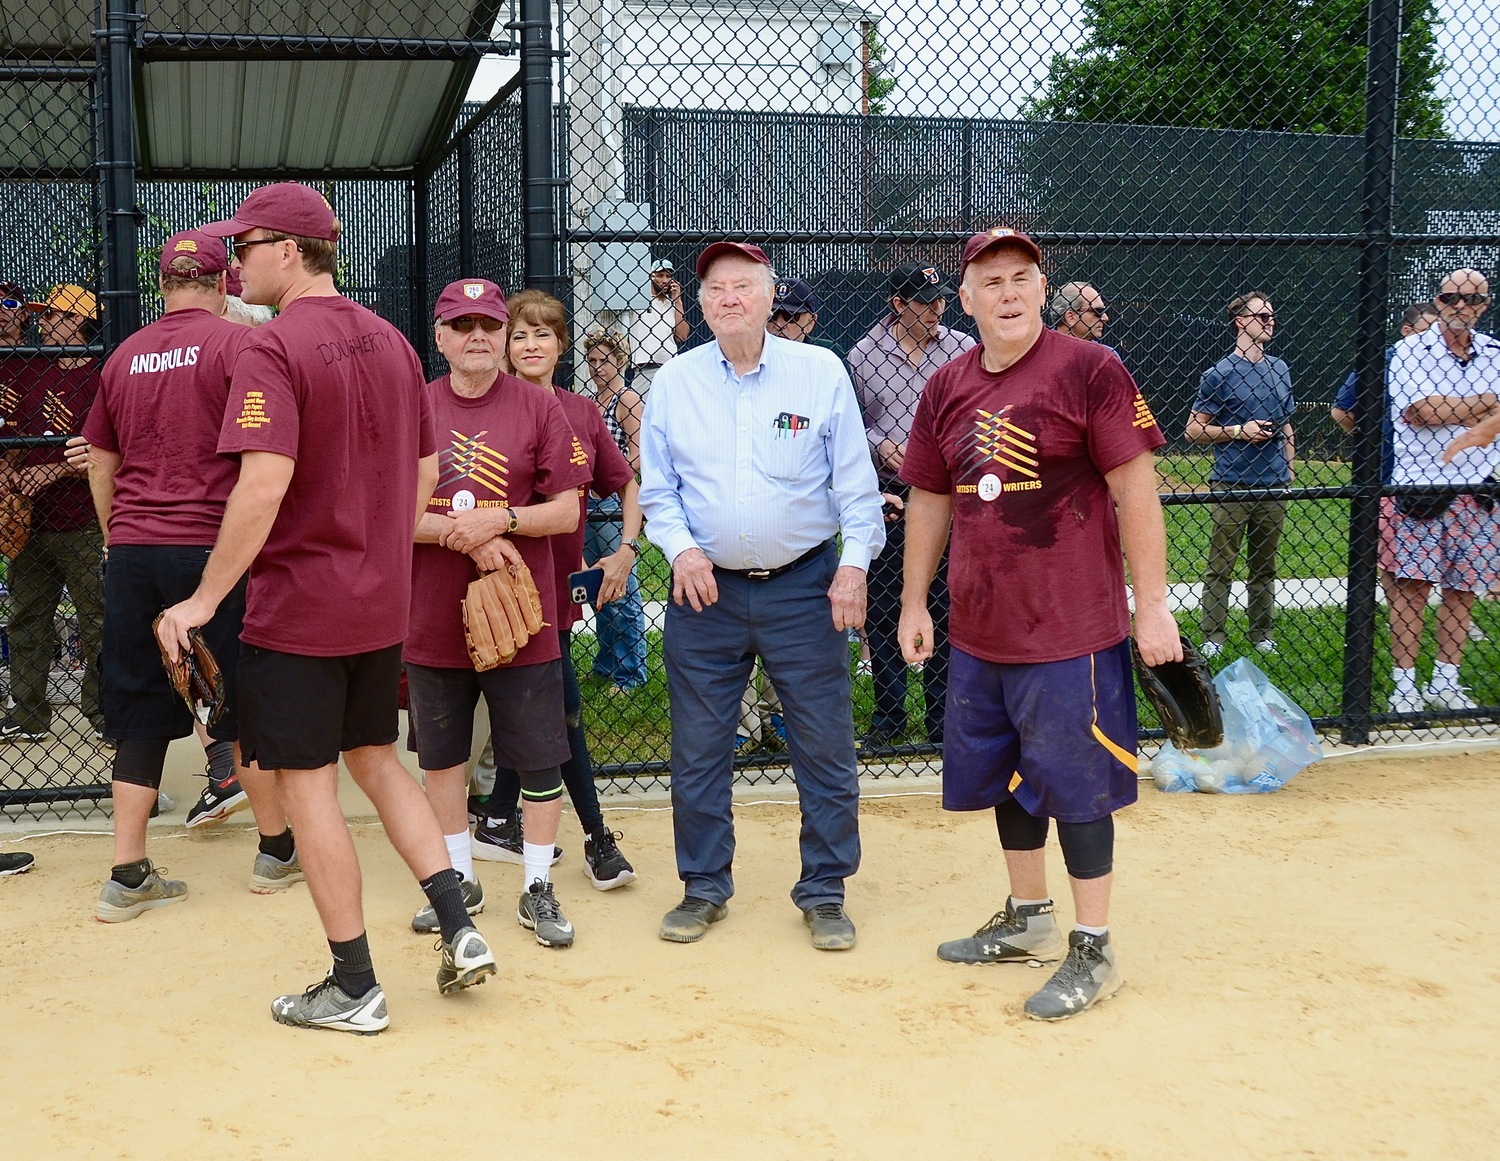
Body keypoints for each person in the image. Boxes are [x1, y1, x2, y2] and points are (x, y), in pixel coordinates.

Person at [156, 182, 496, 1034]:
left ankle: (355, 984)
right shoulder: (388, 339)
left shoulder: (272, 347)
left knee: (311, 788)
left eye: (245, 246)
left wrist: (201, 600)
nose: (234, 263)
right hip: (378, 603)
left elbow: (263, 483)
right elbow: (423, 473)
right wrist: (379, 548)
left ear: (289, 251)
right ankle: (459, 925)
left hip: (301, 607)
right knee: (378, 759)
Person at [898, 226, 1180, 1022]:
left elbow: (1136, 489)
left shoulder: (1091, 368)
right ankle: (1028, 919)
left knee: (1077, 784)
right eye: (990, 281)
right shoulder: (945, 385)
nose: (1009, 293)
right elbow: (930, 497)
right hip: (980, 627)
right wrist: (915, 601)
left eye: (1022, 276)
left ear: (1042, 286)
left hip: (1071, 627)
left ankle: (1094, 945)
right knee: (1005, 774)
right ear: (966, 299)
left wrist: (1151, 605)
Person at [639, 240, 884, 950]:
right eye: (715, 288)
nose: (729, 299)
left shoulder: (818, 373)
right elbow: (658, 489)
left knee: (825, 743)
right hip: (703, 591)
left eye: (743, 285)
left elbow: (855, 488)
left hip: (806, 586)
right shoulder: (675, 383)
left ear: (771, 296)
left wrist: (854, 565)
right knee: (699, 748)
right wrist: (681, 549)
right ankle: (704, 886)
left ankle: (825, 889)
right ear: (702, 302)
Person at [82, 229, 299, 920]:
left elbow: (98, 458)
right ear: (222, 284)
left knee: (139, 705)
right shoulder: (240, 345)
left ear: (164, 286)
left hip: (137, 549)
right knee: (241, 699)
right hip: (211, 546)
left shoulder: (123, 356)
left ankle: (127, 872)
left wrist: (118, 535)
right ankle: (274, 850)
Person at [404, 278, 591, 949]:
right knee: (444, 758)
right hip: (431, 610)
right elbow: (388, 509)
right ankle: (457, 880)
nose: (479, 336)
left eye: (491, 324)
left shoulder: (539, 409)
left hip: (522, 613)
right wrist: (468, 534)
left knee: (539, 757)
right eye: (463, 324)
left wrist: (500, 520)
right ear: (441, 335)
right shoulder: (415, 405)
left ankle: (537, 886)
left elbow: (567, 509)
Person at [478, 293, 640, 891]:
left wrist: (623, 551)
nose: (531, 345)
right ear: (504, 344)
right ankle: (597, 840)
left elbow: (627, 488)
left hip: (558, 587)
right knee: (559, 707)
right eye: (521, 334)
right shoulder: (488, 410)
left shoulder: (581, 412)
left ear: (561, 346)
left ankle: (498, 816)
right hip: (501, 587)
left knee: (544, 703)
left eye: (544, 335)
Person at [848, 262, 975, 747]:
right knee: (883, 607)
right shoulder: (864, 355)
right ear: (899, 306)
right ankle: (889, 715)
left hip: (946, 493)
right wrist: (882, 444)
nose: (937, 310)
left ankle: (942, 716)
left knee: (944, 604)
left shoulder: (962, 349)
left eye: (941, 300)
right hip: (889, 493)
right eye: (925, 303)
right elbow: (850, 424)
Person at [1384, 268, 1500, 712]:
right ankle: (1404, 686)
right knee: (1413, 587)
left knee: (1463, 588)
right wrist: (1483, 406)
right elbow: (1419, 411)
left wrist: (1461, 411)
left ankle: (1445, 682)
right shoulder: (1411, 350)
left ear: (1484, 306)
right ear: (1438, 300)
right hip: (1421, 488)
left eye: (1470, 300)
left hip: (1479, 489)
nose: (1459, 307)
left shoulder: (1493, 352)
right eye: (1450, 298)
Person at [0, 285, 106, 744]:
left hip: (82, 522)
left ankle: (104, 715)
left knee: (98, 621)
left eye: (60, 316)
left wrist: (49, 472)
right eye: (46, 315)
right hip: (32, 521)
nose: (47, 323)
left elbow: (105, 453)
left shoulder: (101, 376)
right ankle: (28, 715)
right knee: (26, 616)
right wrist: (9, 474)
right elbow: (14, 432)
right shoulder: (32, 368)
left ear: (82, 325)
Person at [1185, 290, 1296, 657]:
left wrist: (1289, 470)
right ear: (1240, 322)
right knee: (1222, 565)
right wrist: (1238, 431)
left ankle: (1261, 633)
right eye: (1262, 316)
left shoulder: (1279, 368)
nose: (1269, 322)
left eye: (1271, 316)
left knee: (1265, 566)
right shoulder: (1219, 374)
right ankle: (1213, 637)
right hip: (1231, 480)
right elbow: (1193, 430)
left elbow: (1288, 425)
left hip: (1273, 482)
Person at [1328, 303, 1439, 616]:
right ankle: (1398, 614)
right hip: (1387, 475)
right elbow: (1341, 411)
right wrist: (1372, 442)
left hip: (1434, 475)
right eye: (1426, 331)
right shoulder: (1382, 362)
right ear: (1406, 331)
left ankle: (1404, 612)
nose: (1433, 340)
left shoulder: (1442, 364)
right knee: (1390, 559)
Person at [581, 327, 648, 691]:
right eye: (591, 361)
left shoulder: (626, 399)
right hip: (588, 498)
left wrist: (613, 475)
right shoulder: (589, 400)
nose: (597, 367)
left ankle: (630, 670)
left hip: (611, 496)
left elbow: (637, 450)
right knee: (597, 585)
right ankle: (606, 661)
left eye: (604, 360)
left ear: (620, 362)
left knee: (621, 586)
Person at [629, 258, 690, 391]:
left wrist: (678, 301)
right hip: (645, 365)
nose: (664, 280)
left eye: (668, 276)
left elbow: (682, 336)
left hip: (670, 365)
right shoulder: (639, 300)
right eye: (660, 275)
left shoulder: (672, 303)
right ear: (651, 276)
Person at [1050, 280, 1112, 345]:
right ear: (1071, 317)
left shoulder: (1106, 353)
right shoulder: (1042, 348)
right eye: (1098, 311)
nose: (1105, 318)